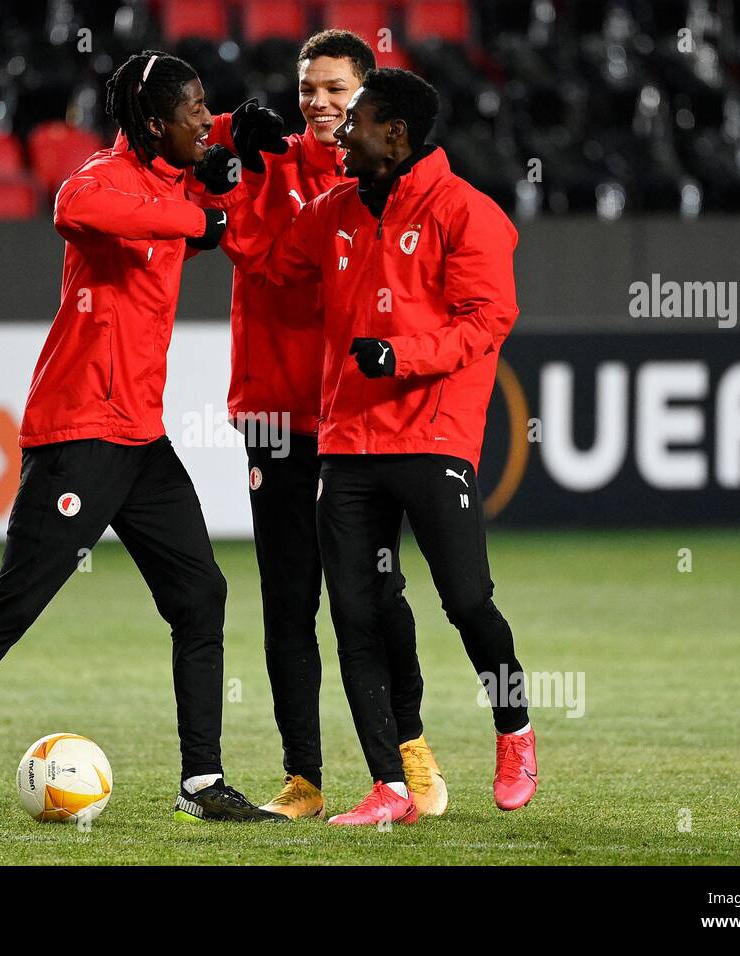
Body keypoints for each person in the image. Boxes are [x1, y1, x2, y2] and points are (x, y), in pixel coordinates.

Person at [0, 51, 281, 825]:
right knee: (11, 609)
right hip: (77, 434)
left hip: (139, 438)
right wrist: (200, 216)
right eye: (194, 109)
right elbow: (75, 207)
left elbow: (197, 174)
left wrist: (241, 127)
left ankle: (201, 785)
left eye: (210, 106)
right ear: (150, 123)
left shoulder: (171, 175)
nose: (206, 120)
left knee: (202, 595)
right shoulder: (103, 179)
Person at [221, 69, 538, 826]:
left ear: (394, 132)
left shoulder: (468, 213)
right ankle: (390, 787)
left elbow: (488, 320)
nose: (341, 130)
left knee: (466, 601)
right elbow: (263, 262)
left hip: (431, 436)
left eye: (354, 117)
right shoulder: (333, 211)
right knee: (355, 613)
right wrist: (234, 176)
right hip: (348, 444)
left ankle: (514, 727)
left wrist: (404, 355)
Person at [195, 31, 446, 820]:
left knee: (375, 594)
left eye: (338, 90)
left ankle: (410, 759)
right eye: (310, 89)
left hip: (357, 414)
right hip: (273, 408)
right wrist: (238, 136)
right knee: (287, 598)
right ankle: (304, 777)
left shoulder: (385, 177)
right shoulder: (267, 156)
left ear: (369, 99)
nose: (321, 104)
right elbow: (179, 133)